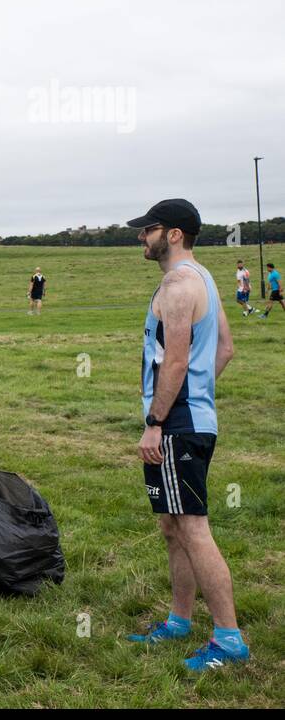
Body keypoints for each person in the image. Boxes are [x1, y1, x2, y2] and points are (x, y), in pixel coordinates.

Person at [124, 199, 247, 672]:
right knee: (173, 525)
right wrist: (200, 394)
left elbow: (175, 360)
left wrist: (158, 422)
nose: (141, 237)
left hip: (175, 425)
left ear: (173, 234)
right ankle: (179, 621)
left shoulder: (178, 284)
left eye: (148, 229)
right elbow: (227, 348)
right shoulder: (205, 277)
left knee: (192, 527)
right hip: (189, 417)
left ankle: (230, 639)